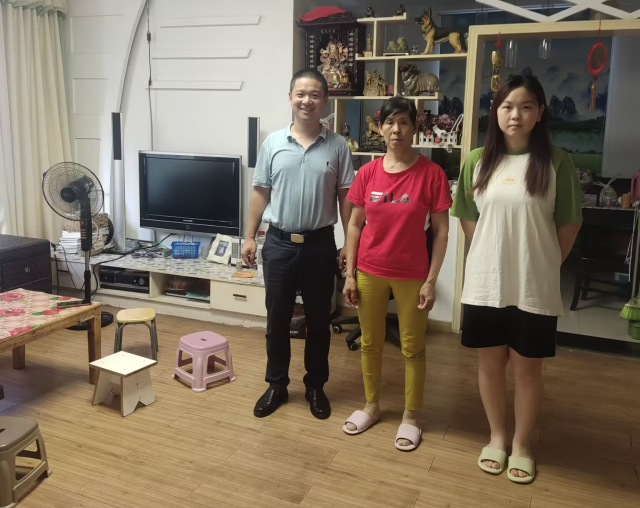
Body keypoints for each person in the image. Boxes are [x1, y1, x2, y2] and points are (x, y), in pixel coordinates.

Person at [451, 75, 582, 484]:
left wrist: (542, 263)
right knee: (490, 365)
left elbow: (568, 224)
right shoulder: (477, 160)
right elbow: (468, 219)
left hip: (534, 285)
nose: (515, 115)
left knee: (528, 369)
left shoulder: (557, 162)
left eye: (526, 107)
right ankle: (497, 437)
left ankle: (522, 445)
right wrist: (491, 256)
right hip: (485, 283)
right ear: (496, 111)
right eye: (507, 106)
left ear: (539, 113)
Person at [242, 68, 354, 420]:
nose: (307, 101)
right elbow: (260, 192)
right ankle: (276, 385)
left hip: (320, 245)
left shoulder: (338, 146)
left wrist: (349, 246)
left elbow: (346, 200)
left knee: (319, 321)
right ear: (290, 98)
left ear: (325, 100)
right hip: (278, 244)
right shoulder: (273, 143)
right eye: (301, 94)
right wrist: (249, 236)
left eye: (315, 94)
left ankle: (315, 386)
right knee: (277, 320)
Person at [341, 97, 451, 451]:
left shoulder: (431, 174)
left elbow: (441, 231)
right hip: (369, 270)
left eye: (404, 122)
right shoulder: (367, 173)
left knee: (412, 347)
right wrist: (350, 274)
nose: (396, 130)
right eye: (389, 122)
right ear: (380, 127)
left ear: (414, 127)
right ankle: (371, 406)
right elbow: (354, 224)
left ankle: (411, 416)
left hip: (412, 274)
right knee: (370, 342)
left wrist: (431, 280)